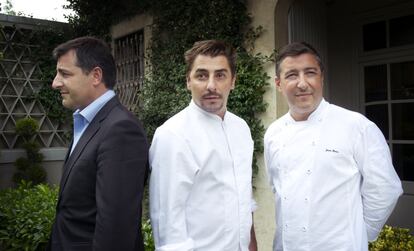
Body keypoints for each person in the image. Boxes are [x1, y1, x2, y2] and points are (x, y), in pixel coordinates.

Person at [264, 41, 403, 251]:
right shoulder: (273, 132)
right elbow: (278, 189)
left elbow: (385, 189)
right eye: (292, 75)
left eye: (310, 73)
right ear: (278, 83)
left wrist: (358, 235)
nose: (302, 83)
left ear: (321, 77)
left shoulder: (356, 126)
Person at [149, 40, 257, 251]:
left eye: (220, 75)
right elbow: (168, 219)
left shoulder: (241, 128)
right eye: (201, 75)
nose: (211, 85)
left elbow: (243, 196)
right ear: (188, 81)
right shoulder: (173, 134)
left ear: (233, 81)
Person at [47, 36, 148, 251]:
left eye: (65, 73)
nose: (55, 83)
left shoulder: (121, 130)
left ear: (95, 75)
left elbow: (116, 228)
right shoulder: (87, 121)